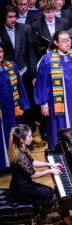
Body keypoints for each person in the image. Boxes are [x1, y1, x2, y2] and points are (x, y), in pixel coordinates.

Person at [34, 31, 72, 149]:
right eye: (63, 41)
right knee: (57, 130)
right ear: (56, 43)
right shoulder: (48, 59)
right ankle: (60, 158)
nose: (67, 43)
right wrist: (43, 104)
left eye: (68, 40)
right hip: (58, 103)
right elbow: (42, 83)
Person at [8, 124, 67, 225]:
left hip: (23, 184)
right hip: (21, 189)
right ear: (22, 140)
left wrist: (50, 164)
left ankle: (40, 219)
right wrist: (50, 171)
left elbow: (33, 162)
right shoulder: (20, 156)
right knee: (51, 195)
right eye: (30, 136)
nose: (32, 138)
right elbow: (33, 175)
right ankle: (40, 220)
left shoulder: (21, 148)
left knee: (52, 193)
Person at [0, 43, 29, 173]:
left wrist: (22, 104)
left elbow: (20, 86)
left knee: (12, 136)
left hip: (11, 109)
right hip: (1, 110)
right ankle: (2, 166)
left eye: (0, 51)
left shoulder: (11, 66)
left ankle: (13, 163)